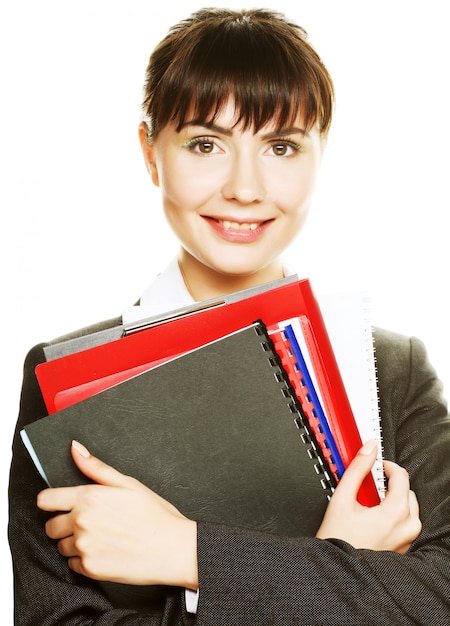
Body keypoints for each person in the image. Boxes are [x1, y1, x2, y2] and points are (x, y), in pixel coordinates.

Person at [8, 7, 449, 625]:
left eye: (281, 146)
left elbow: (439, 599)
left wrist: (186, 553)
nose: (245, 187)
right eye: (206, 143)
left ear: (321, 156)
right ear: (151, 152)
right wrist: (339, 565)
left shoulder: (395, 370)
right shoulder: (65, 377)